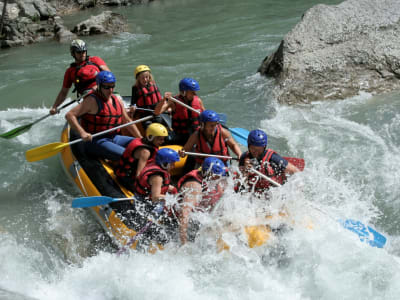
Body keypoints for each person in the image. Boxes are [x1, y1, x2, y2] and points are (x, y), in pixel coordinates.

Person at [65, 70, 142, 161]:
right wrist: (82, 133)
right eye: (107, 87)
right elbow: (69, 115)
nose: (110, 90)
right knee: (128, 157)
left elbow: (127, 121)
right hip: (96, 140)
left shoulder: (117, 100)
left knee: (143, 148)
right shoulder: (91, 101)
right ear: (99, 86)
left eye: (112, 86)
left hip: (114, 137)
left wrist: (140, 138)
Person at [50, 39, 110, 115]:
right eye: (79, 52)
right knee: (71, 115)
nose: (82, 54)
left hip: (104, 92)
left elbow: (109, 75)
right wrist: (55, 107)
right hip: (88, 98)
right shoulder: (70, 71)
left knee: (118, 100)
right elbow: (63, 92)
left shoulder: (95, 60)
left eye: (84, 51)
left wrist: (98, 87)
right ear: (73, 53)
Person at [177, 157, 228, 245]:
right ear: (207, 173)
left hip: (203, 217)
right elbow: (184, 214)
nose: (218, 179)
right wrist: (184, 243)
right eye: (216, 177)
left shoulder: (213, 178)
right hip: (190, 224)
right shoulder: (194, 186)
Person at [238, 129, 299, 195]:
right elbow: (241, 182)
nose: (256, 152)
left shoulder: (273, 158)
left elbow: (295, 172)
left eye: (259, 149)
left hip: (275, 191)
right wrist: (245, 170)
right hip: (256, 193)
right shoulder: (244, 158)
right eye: (253, 148)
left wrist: (293, 190)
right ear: (248, 146)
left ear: (264, 147)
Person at [115, 123, 169, 191]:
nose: (162, 141)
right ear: (150, 137)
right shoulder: (145, 152)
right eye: (159, 139)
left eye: (163, 139)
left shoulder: (141, 141)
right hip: (127, 178)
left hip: (125, 173)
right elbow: (139, 174)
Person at [155, 77, 205, 145]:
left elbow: (204, 116)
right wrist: (163, 100)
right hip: (179, 135)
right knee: (164, 140)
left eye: (195, 92)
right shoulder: (173, 102)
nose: (195, 94)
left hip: (194, 134)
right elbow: (157, 112)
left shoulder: (198, 101)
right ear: (183, 92)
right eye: (192, 92)